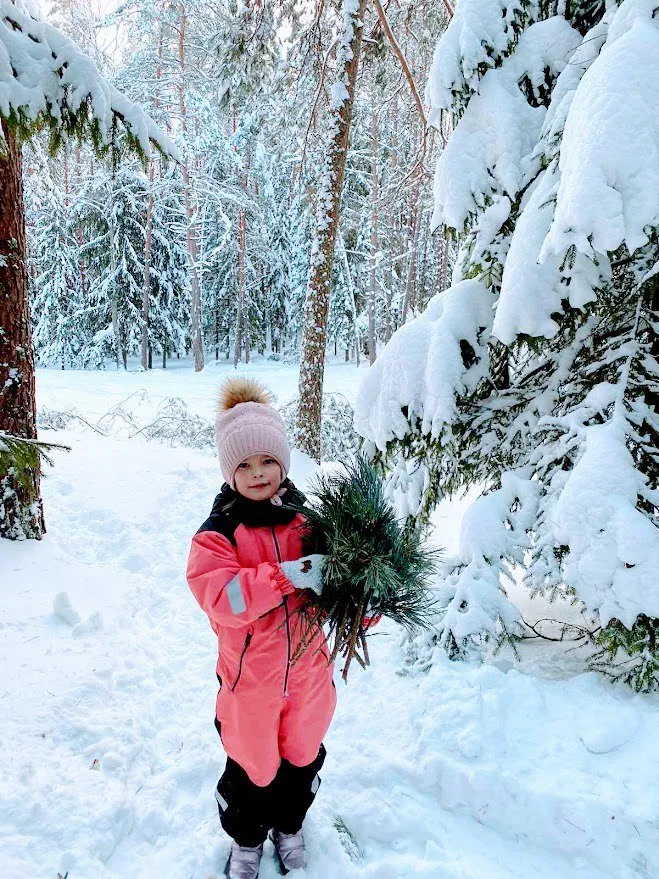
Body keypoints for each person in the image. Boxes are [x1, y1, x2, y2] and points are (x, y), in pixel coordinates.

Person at [186, 377, 336, 879]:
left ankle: (288, 825)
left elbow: (347, 599)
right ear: (229, 472)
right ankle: (247, 841)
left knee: (301, 757)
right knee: (253, 767)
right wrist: (285, 577)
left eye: (267, 461)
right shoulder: (219, 533)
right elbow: (222, 599)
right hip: (249, 684)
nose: (257, 474)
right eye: (244, 465)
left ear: (284, 462)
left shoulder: (311, 523)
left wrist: (367, 592)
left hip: (310, 678)